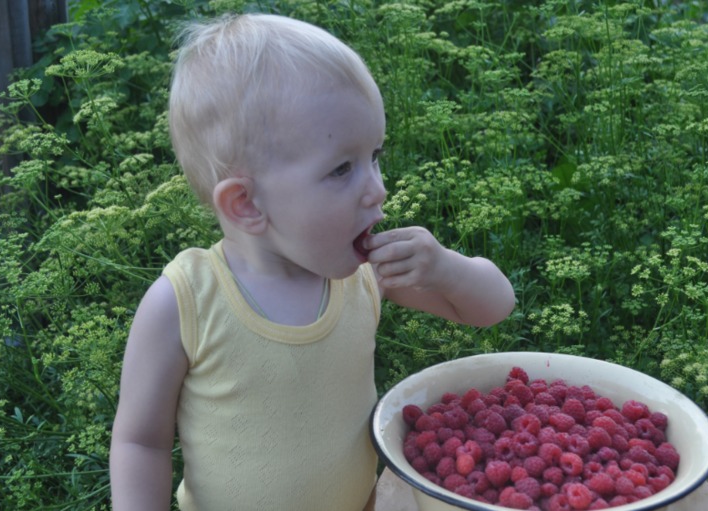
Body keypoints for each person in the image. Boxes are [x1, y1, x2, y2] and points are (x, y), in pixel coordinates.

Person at [109, 12, 516, 511]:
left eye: (375, 156)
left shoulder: (364, 274)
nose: (378, 188)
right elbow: (140, 442)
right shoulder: (185, 302)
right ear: (247, 204)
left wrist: (446, 268)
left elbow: (494, 306)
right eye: (342, 168)